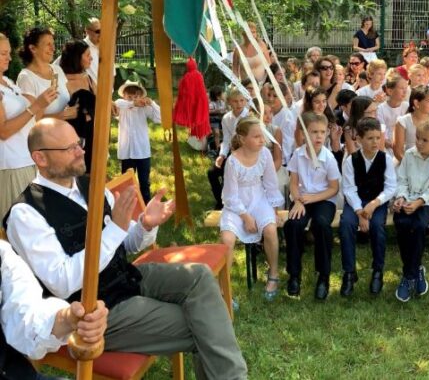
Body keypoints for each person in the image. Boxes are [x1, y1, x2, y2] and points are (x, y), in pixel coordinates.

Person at [5, 119, 247, 379]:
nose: (81, 151)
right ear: (40, 158)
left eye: (79, 143)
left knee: (198, 277)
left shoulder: (91, 186)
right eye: (69, 148)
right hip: (94, 313)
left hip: (127, 277)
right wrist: (116, 230)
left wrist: (144, 224)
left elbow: (126, 243)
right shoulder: (25, 214)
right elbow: (62, 283)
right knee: (206, 324)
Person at [0, 237, 110, 380]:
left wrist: (68, 319)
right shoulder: (24, 217)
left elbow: (25, 316)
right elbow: (62, 281)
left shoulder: (2, 255)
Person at [219, 116, 283, 301]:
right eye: (256, 137)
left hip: (258, 198)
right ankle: (223, 288)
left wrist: (275, 210)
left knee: (270, 229)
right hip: (236, 205)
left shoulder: (265, 154)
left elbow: (271, 184)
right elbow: (230, 195)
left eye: (262, 136)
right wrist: (245, 216)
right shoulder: (232, 161)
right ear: (242, 138)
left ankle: (273, 274)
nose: (262, 140)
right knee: (227, 239)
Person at [284, 112, 341, 300]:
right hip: (302, 199)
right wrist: (299, 200)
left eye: (322, 132)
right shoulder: (298, 155)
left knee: (321, 225)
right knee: (293, 224)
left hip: (324, 199)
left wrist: (312, 198)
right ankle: (294, 275)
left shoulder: (329, 158)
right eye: (314, 132)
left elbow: (334, 188)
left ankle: (323, 276)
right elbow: (293, 182)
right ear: (304, 134)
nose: (318, 136)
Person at [392, 116, 429, 301]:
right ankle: (416, 269)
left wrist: (419, 202)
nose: (419, 143)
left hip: (428, 202)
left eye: (425, 140)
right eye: (417, 138)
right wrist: (401, 197)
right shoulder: (409, 154)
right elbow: (402, 179)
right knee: (401, 222)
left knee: (417, 226)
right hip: (408, 198)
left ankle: (409, 276)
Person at [339, 117, 395, 297]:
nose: (375, 142)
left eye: (378, 137)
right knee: (346, 224)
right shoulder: (351, 160)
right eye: (370, 138)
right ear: (359, 140)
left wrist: (374, 203)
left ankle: (378, 270)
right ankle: (349, 272)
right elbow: (348, 188)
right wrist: (360, 213)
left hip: (377, 202)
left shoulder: (386, 159)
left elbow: (391, 187)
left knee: (378, 226)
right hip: (356, 202)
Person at [0, 33, 50, 218]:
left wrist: (41, 103)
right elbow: (3, 131)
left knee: (33, 220)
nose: (10, 58)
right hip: (11, 165)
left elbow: (33, 118)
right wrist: (36, 105)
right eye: (3, 53)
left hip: (28, 160)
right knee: (15, 223)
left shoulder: (10, 84)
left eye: (9, 53)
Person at [113, 81, 160, 203]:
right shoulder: (121, 106)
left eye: (136, 96)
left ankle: (146, 208)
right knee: (127, 184)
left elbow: (159, 118)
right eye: (129, 96)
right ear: (124, 96)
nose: (134, 99)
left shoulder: (144, 109)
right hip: (127, 152)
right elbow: (117, 103)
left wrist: (152, 103)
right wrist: (133, 103)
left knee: (144, 183)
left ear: (141, 96)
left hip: (142, 152)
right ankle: (128, 208)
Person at [16, 27, 71, 121]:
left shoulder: (57, 70)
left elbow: (68, 99)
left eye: (53, 44)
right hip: (44, 134)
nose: (53, 48)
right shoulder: (26, 78)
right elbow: (29, 120)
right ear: (33, 48)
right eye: (48, 44)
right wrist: (60, 116)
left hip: (66, 131)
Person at [58, 41, 96, 174]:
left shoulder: (88, 78)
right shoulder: (61, 81)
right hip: (72, 142)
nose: (91, 58)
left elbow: (101, 102)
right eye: (87, 55)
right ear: (76, 58)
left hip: (94, 139)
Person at [209, 87, 249, 209]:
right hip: (231, 153)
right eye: (236, 101)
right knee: (212, 173)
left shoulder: (249, 116)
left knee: (229, 175)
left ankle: (228, 202)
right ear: (230, 102)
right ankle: (220, 201)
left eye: (242, 100)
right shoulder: (226, 118)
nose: (239, 104)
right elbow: (226, 139)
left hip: (246, 154)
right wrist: (222, 155)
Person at [393, 85, 429, 164]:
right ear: (416, 103)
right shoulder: (402, 122)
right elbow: (398, 151)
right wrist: (412, 167)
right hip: (406, 163)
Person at [375, 75, 409, 154]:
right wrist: (393, 146)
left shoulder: (407, 106)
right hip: (386, 147)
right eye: (401, 88)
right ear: (390, 91)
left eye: (406, 88)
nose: (405, 91)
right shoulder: (380, 109)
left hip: (405, 146)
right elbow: (381, 133)